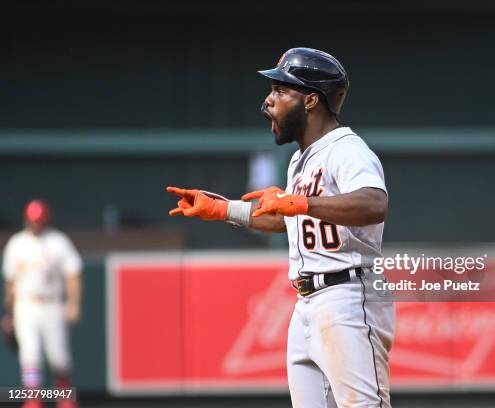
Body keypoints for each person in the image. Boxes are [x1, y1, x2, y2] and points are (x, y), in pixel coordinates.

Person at [167, 47, 394, 407]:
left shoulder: (346, 149)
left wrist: (301, 202)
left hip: (348, 294)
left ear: (310, 101)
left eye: (280, 91)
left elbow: (374, 204)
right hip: (307, 302)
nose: (268, 102)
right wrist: (223, 209)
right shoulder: (299, 160)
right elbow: (286, 216)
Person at [2, 200, 82, 408]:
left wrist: (73, 303)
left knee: (59, 357)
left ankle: (65, 397)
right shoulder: (17, 243)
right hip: (25, 304)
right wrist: (8, 312)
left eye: (38, 220)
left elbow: (73, 274)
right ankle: (33, 399)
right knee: (30, 355)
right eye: (32, 220)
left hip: (51, 303)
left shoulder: (58, 241)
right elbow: (10, 283)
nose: (35, 224)